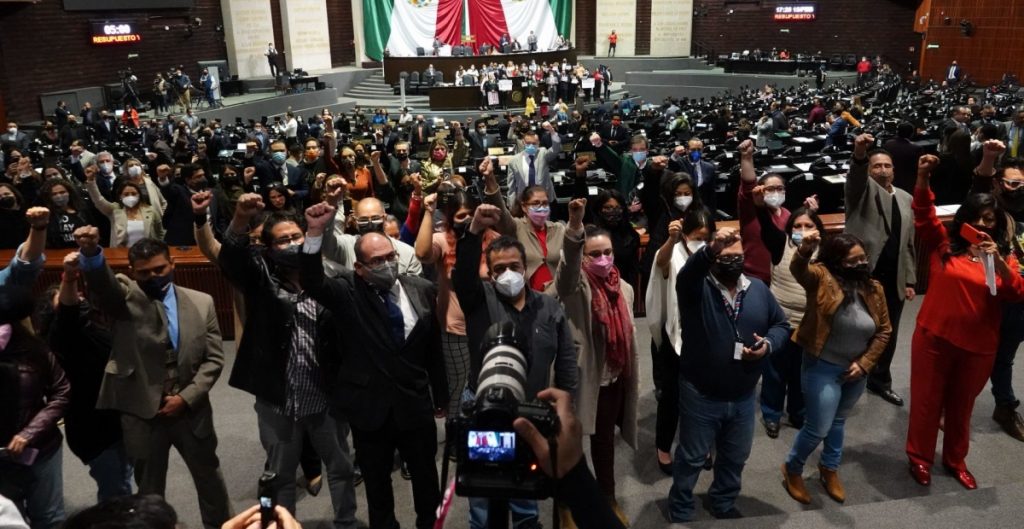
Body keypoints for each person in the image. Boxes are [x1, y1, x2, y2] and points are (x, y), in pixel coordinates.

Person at [71, 230, 232, 529]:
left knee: (210, 478)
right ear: (132, 272)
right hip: (143, 413)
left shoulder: (202, 302)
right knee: (148, 487)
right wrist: (92, 253)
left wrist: (185, 398)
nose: (153, 276)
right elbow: (103, 287)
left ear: (172, 264)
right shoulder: (123, 299)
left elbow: (213, 360)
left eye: (160, 269)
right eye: (144, 272)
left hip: (190, 409)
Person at [300, 203, 446, 529]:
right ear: (360, 268)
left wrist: (441, 395)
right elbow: (312, 281)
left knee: (427, 481)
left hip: (415, 405)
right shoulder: (347, 293)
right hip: (370, 411)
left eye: (390, 257)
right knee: (378, 490)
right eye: (377, 261)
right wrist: (314, 233)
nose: (387, 264)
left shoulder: (421, 289)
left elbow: (432, 350)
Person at [218, 195, 357, 528]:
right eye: (282, 240)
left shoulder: (336, 276)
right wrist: (240, 218)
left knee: (340, 468)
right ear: (268, 249)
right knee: (279, 475)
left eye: (296, 236)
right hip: (278, 399)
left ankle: (346, 523)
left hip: (324, 396)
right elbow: (231, 259)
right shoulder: (259, 277)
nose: (292, 244)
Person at [453, 204, 578, 529]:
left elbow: (566, 364)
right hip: (484, 409)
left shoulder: (548, 307)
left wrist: (567, 411)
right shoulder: (478, 300)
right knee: (483, 500)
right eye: (499, 269)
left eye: (514, 266)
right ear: (490, 273)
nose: (508, 273)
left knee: (526, 495)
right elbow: (462, 275)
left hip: (529, 411)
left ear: (525, 268)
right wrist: (473, 231)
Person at [907, 154, 1024, 490]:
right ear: (964, 220)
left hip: (978, 346)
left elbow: (1017, 292)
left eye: (989, 220)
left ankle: (956, 460)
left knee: (961, 408)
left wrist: (998, 261)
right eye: (976, 218)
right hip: (934, 339)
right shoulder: (944, 246)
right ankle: (919, 458)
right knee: (927, 403)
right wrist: (923, 177)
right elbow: (923, 213)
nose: (983, 225)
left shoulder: (1004, 258)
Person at [668, 226, 790, 522]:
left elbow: (781, 325)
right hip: (701, 394)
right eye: (724, 257)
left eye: (737, 256)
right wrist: (711, 248)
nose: (732, 262)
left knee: (736, 457)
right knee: (692, 457)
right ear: (713, 258)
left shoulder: (758, 289)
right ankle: (681, 507)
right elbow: (688, 274)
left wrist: (767, 345)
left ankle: (723, 502)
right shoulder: (695, 287)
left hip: (744, 395)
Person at [781, 231, 892, 504]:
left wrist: (865, 364)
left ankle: (829, 468)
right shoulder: (821, 278)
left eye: (863, 258)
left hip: (856, 370)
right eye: (852, 261)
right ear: (836, 262)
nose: (860, 264)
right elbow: (800, 270)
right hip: (823, 367)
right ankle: (792, 468)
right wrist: (804, 251)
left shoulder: (874, 289)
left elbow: (884, 331)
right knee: (818, 427)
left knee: (839, 421)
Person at [549, 199, 637, 527]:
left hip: (611, 379)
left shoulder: (623, 288)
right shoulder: (575, 286)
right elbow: (567, 274)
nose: (603, 259)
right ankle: (566, 506)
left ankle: (608, 498)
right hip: (580, 379)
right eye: (595, 254)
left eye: (607, 253)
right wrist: (575, 227)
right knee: (569, 445)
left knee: (604, 444)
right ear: (584, 257)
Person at [39, 255, 133, 502]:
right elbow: (68, 312)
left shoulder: (92, 327)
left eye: (80, 296)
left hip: (114, 422)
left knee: (124, 481)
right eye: (70, 298)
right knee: (116, 494)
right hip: (95, 431)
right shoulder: (61, 337)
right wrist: (70, 277)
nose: (79, 299)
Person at [844, 134, 916, 406]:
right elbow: (856, 177)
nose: (883, 170)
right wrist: (860, 154)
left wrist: (909, 280)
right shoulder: (861, 192)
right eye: (877, 166)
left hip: (894, 277)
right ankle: (848, 375)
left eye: (887, 166)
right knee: (855, 328)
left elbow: (908, 243)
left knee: (888, 333)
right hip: (864, 276)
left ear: (894, 170)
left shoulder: (906, 198)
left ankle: (880, 380)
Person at [415, 185, 500, 417]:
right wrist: (428, 212)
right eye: (461, 216)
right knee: (459, 388)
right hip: (456, 329)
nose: (468, 220)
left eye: (471, 214)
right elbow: (422, 254)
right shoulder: (443, 239)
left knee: (488, 384)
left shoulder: (494, 241)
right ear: (451, 217)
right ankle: (456, 433)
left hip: (488, 325)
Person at [646, 209, 713, 472]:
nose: (702, 243)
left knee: (702, 396)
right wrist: (671, 239)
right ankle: (663, 447)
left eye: (706, 238)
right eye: (697, 237)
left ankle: (700, 444)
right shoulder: (673, 252)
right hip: (675, 333)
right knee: (672, 397)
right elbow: (660, 262)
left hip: (706, 334)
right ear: (685, 235)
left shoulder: (714, 254)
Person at [0, 285, 70, 529]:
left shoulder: (34, 350)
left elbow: (62, 392)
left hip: (40, 449)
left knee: (50, 518)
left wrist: (29, 433)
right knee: (9, 519)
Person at [756, 207, 824, 438]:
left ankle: (798, 412)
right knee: (774, 370)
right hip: (780, 322)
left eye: (808, 225)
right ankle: (772, 414)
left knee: (801, 372)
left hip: (809, 323)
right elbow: (765, 224)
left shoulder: (825, 251)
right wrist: (759, 206)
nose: (803, 230)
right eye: (797, 226)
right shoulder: (780, 244)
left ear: (818, 229)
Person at [737, 139, 791, 284]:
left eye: (780, 188)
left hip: (782, 278)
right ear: (761, 191)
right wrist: (747, 157)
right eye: (770, 189)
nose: (776, 192)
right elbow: (748, 184)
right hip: (754, 278)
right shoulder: (751, 210)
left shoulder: (788, 215)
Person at [85, 167, 165, 248]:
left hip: (148, 252)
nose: (130, 196)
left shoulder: (151, 211)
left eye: (134, 193)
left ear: (139, 195)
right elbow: (98, 200)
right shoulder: (114, 210)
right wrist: (91, 181)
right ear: (120, 196)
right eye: (126, 194)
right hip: (121, 253)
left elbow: (160, 233)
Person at [503, 121, 561, 207]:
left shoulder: (543, 153)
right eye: (528, 143)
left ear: (538, 143)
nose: (531, 146)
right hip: (524, 200)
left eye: (534, 143)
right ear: (523, 142)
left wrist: (551, 130)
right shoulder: (514, 160)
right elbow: (511, 187)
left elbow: (556, 149)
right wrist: (512, 206)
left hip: (544, 199)